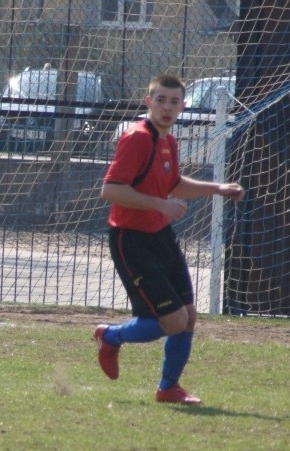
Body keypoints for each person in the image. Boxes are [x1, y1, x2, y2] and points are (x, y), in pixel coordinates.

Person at [95, 74, 245, 405]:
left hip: (160, 236)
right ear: (148, 102)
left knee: (189, 316)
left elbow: (173, 183)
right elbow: (111, 190)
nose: (167, 107)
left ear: (182, 106)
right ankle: (110, 335)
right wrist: (159, 204)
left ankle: (168, 388)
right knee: (171, 321)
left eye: (174, 102)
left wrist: (217, 188)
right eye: (160, 100)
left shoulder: (169, 141)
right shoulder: (136, 138)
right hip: (131, 240)